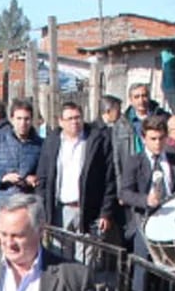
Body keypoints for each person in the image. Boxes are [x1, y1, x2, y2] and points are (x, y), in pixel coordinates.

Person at [119, 121, 175, 291]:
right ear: (144, 139)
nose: (158, 144)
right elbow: (125, 193)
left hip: (171, 224)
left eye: (161, 139)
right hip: (144, 223)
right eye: (153, 139)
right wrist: (145, 200)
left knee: (168, 272)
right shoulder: (135, 162)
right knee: (144, 272)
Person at [35, 102, 120, 240]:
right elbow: (43, 177)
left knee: (86, 257)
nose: (74, 122)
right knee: (58, 255)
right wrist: (43, 210)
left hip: (88, 210)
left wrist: (105, 212)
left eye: (77, 117)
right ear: (60, 121)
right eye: (69, 119)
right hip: (59, 210)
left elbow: (109, 179)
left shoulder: (97, 141)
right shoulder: (51, 143)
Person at [0, 99, 44, 214]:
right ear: (12, 119)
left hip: (25, 207)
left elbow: (44, 174)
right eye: (19, 118)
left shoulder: (39, 144)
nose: (23, 123)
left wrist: (33, 179)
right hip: (0, 205)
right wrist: (2, 178)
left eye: (27, 119)